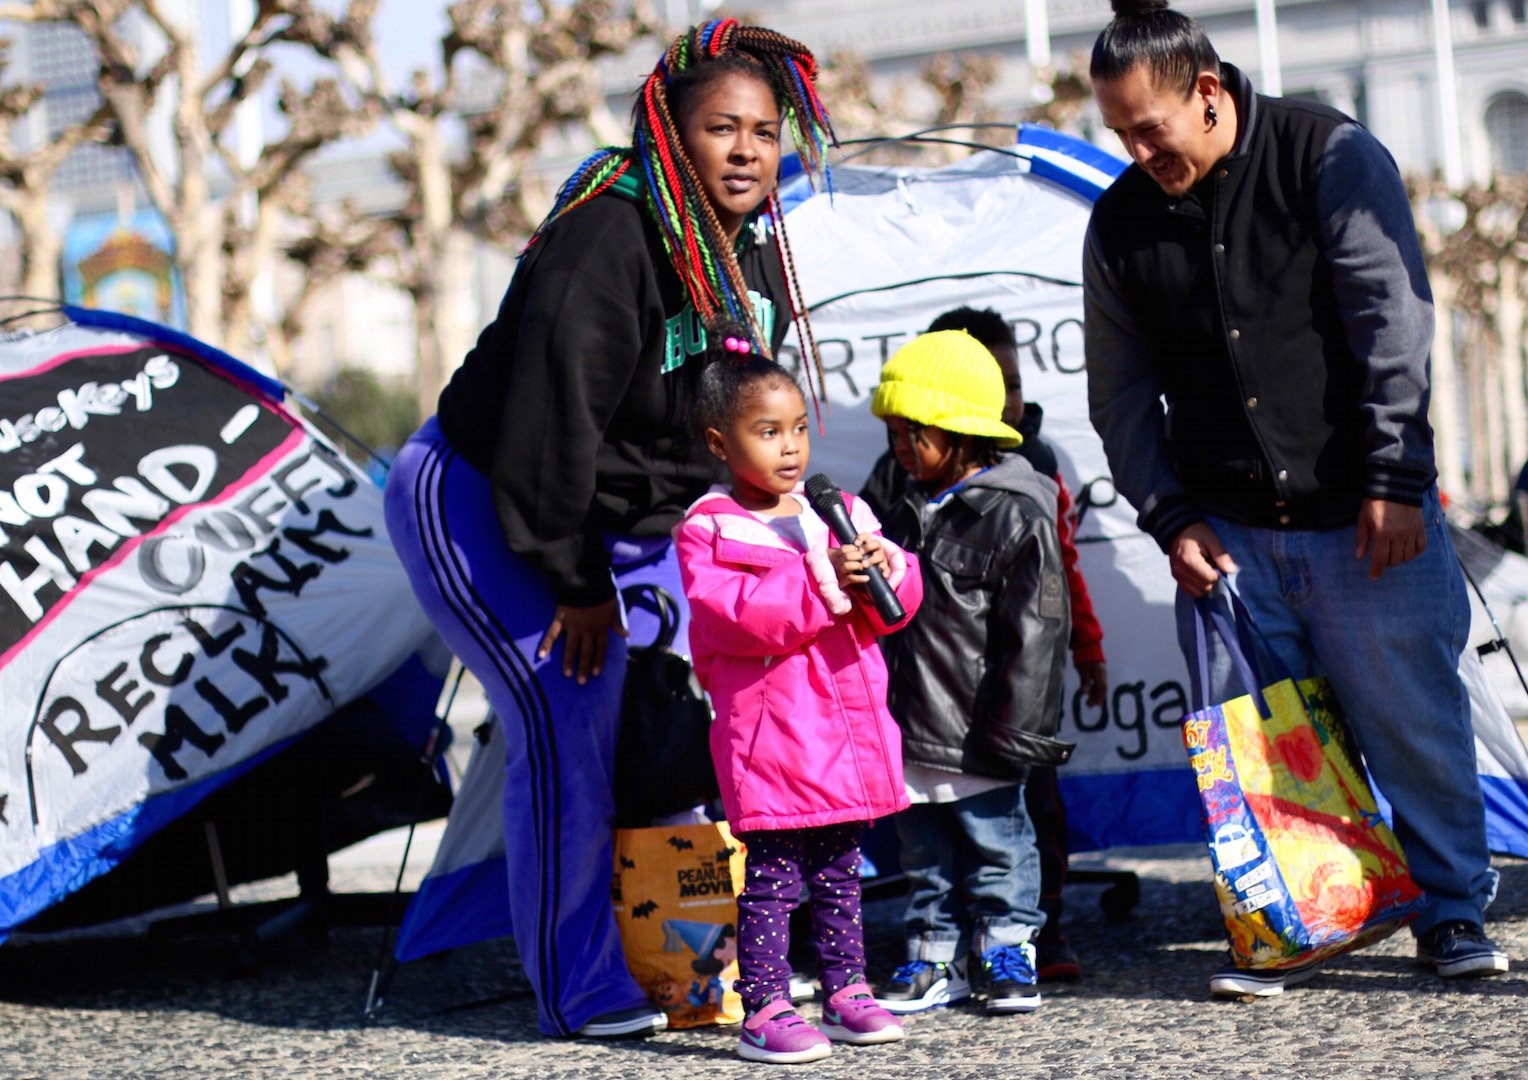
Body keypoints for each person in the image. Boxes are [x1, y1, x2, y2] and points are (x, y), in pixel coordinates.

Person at [383, 20, 837, 1039]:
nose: (747, 151)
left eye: (765, 132)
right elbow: (548, 432)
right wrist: (577, 583)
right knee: (564, 722)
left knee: (701, 715)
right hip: (485, 498)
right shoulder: (609, 236)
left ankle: (706, 958)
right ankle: (580, 988)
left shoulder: (743, 249)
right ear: (668, 133)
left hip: (624, 519)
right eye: (721, 128)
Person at [1083, 0, 1509, 997]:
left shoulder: (1328, 154)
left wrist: (1394, 477)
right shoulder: (1118, 221)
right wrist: (1169, 516)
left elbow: (1388, 319)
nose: (1138, 151)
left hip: (1364, 521)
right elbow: (1118, 391)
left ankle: (1451, 911)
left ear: (1205, 91)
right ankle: (1299, 918)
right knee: (1268, 749)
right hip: (1227, 532)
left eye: (1150, 128)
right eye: (1118, 134)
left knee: (1412, 723)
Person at [674, 345, 923, 1064]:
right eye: (767, 431)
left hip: (844, 738)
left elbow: (896, 609)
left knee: (843, 870)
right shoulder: (710, 529)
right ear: (722, 443)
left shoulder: (838, 511)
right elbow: (738, 617)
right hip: (775, 742)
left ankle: (847, 991)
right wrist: (822, 579)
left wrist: (889, 571)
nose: (790, 447)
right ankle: (767, 1005)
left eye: (798, 429)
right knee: (775, 881)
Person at [861, 306, 1107, 982]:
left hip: (985, 730)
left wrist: (1016, 730)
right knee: (926, 857)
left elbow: (1035, 634)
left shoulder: (1016, 508)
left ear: (964, 430)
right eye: (893, 434)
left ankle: (1009, 952)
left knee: (1002, 846)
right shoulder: (900, 500)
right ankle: (932, 958)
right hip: (917, 727)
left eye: (916, 434)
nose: (902, 448)